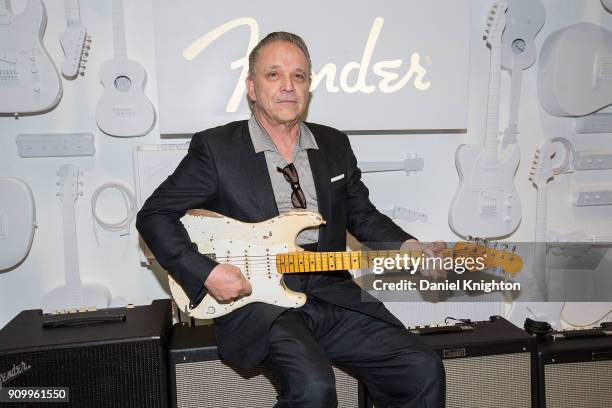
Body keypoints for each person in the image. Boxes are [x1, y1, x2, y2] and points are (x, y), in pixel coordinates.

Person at [137, 31, 446, 408]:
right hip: (257, 302)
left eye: (299, 76)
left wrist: (410, 247)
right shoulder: (216, 149)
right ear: (252, 87)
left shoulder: (334, 144)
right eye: (274, 75)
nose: (288, 86)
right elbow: (154, 215)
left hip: (331, 292)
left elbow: (362, 215)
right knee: (315, 389)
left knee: (421, 367)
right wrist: (206, 272)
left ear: (309, 87)